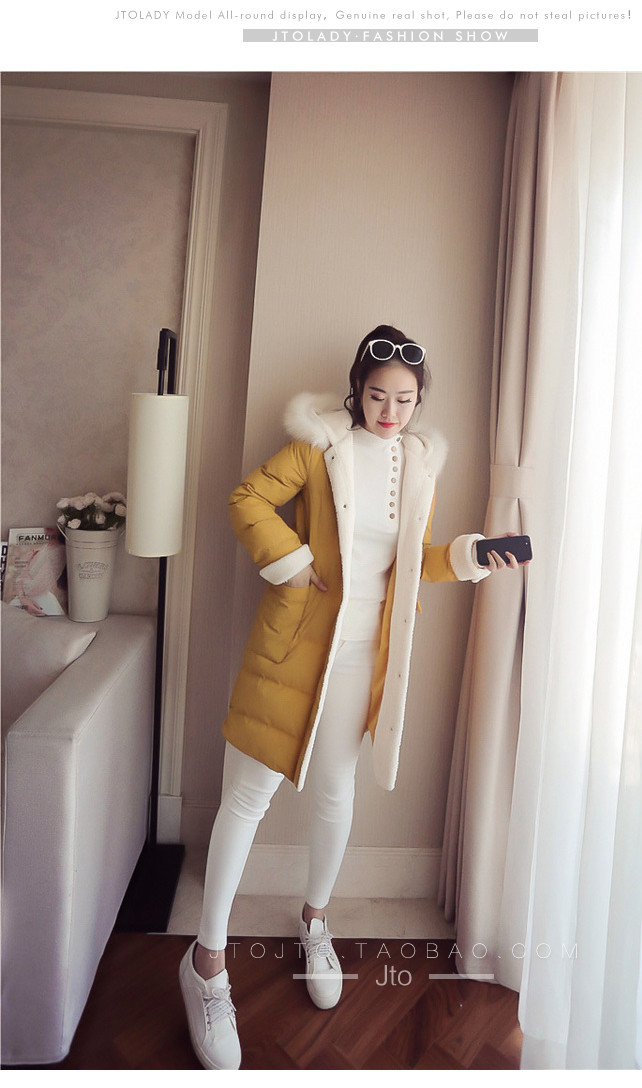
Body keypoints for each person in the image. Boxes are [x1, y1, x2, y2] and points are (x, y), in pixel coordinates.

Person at [179, 324, 529, 1069]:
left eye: (404, 399)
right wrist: (294, 560)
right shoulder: (320, 445)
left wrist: (470, 556)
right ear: (356, 391)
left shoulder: (419, 463)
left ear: (419, 400)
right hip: (295, 646)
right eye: (377, 395)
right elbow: (247, 499)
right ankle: (205, 962)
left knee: (337, 793)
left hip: (368, 656)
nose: (390, 411)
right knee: (247, 797)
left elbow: (412, 563)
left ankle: (314, 922)